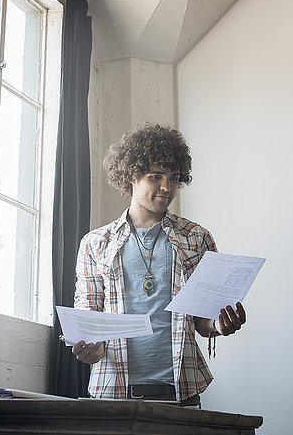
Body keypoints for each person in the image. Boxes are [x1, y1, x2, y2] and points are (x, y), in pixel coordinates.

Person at [72, 124, 245, 407]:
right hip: (112, 392)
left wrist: (220, 324)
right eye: (155, 177)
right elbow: (88, 317)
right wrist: (89, 347)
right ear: (131, 176)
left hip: (182, 391)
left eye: (174, 177)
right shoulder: (95, 243)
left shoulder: (197, 238)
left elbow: (204, 321)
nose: (167, 187)